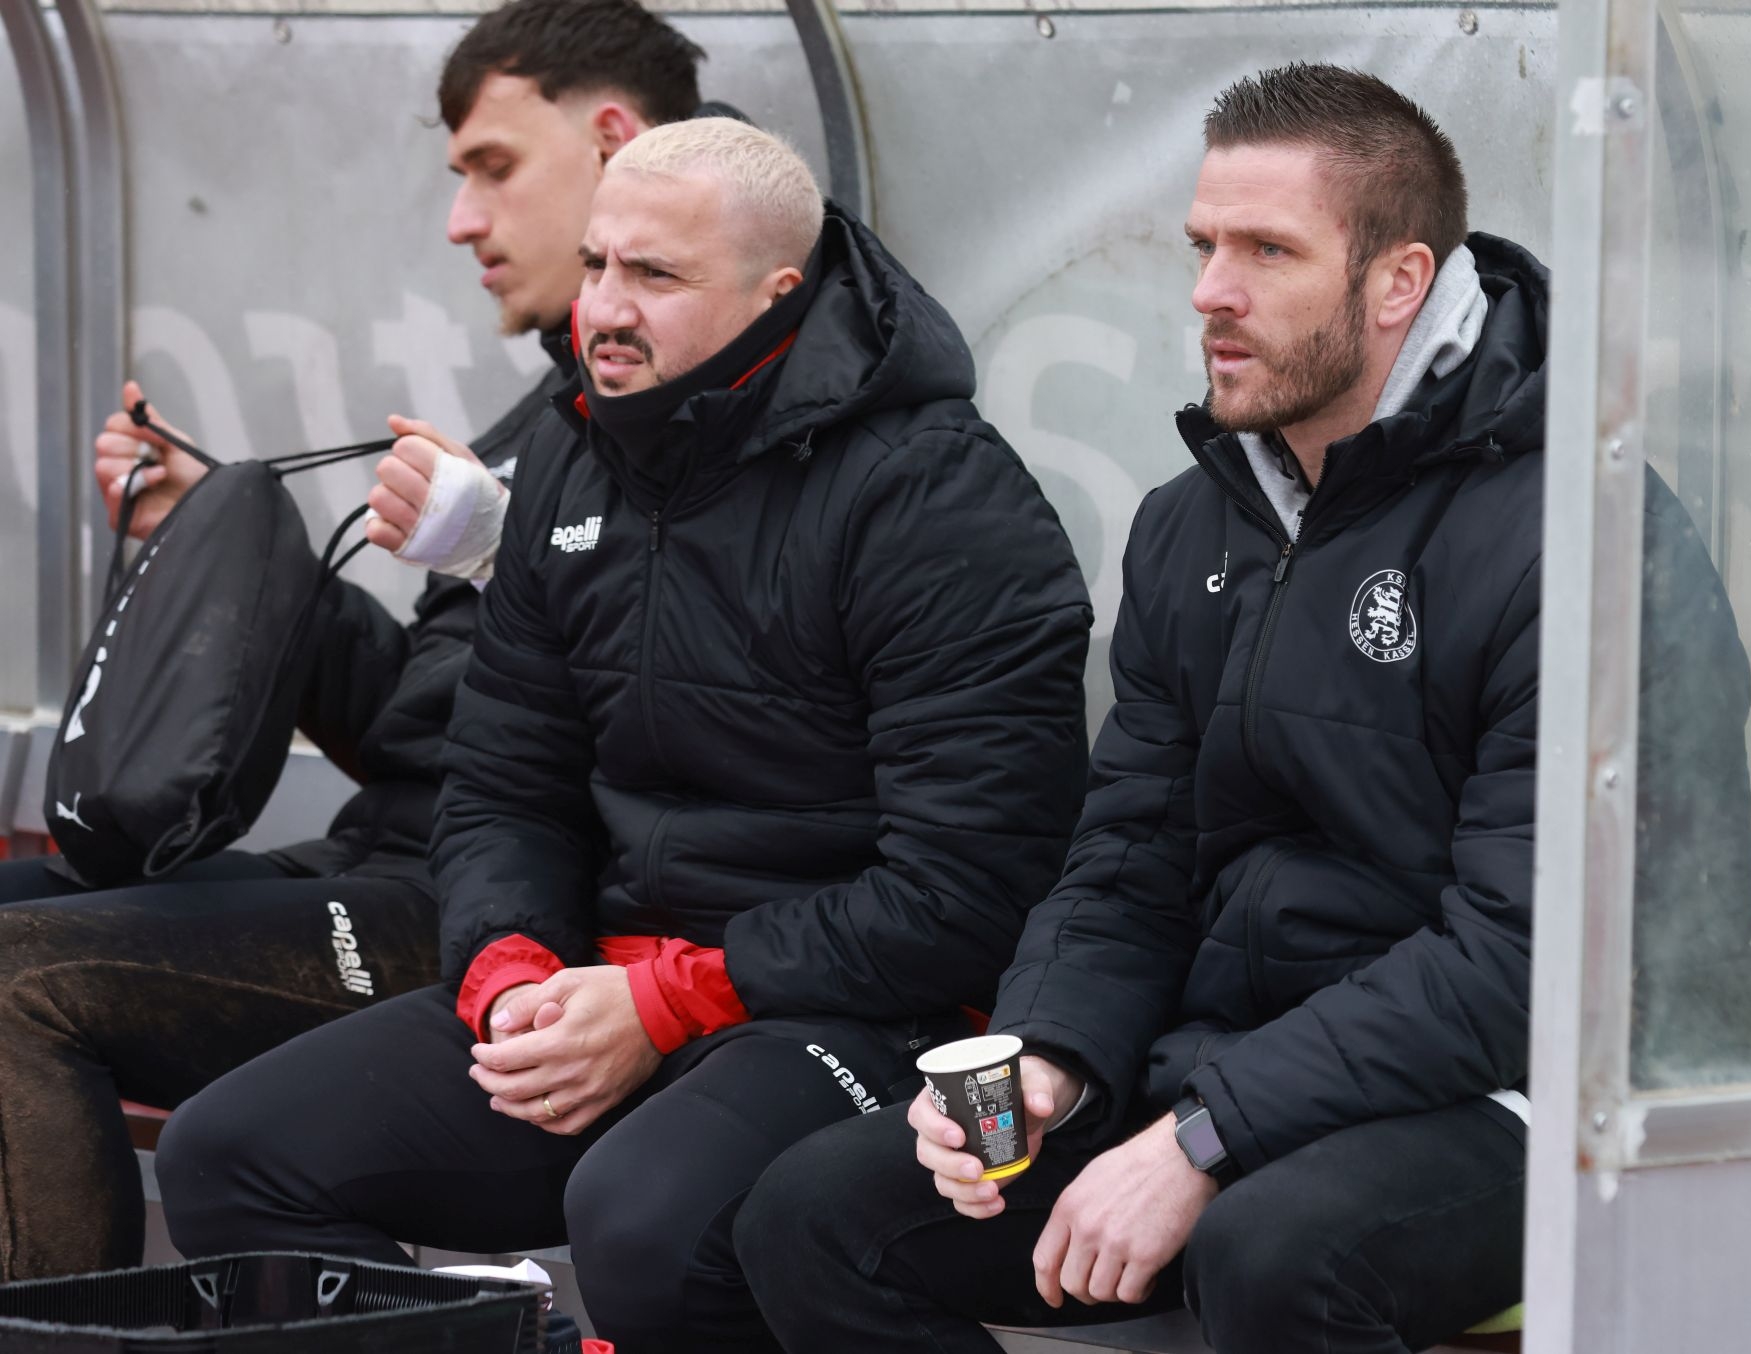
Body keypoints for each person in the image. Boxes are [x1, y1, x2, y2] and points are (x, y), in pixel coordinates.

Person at [735, 64, 1751, 1354]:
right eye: (1204, 246)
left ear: (1399, 281)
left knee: (1272, 1255)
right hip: (1243, 1067)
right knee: (813, 1215)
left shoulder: (1584, 533)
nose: (1211, 291)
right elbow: (1129, 857)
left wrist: (1206, 1136)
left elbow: (1527, 959)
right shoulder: (1192, 523)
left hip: (1540, 1086)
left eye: (1267, 250)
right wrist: (1052, 1054)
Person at [154, 118, 1093, 1353]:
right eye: (597, 263)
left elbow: (972, 891)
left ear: (779, 294)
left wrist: (666, 1000)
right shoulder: (571, 451)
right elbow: (502, 784)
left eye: (655, 274)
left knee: (649, 1222)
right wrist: (510, 973)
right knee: (231, 1155)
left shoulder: (933, 492)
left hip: (863, 1011)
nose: (602, 307)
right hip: (600, 983)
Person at [0, 0, 706, 1281]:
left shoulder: (704, 409)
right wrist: (250, 564)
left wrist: (504, 550)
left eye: (493, 168)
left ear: (612, 140)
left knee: (15, 980)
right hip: (377, 858)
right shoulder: (556, 409)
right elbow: (416, 727)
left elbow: (714, 703)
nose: (462, 222)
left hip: (485, 913)